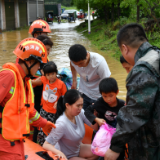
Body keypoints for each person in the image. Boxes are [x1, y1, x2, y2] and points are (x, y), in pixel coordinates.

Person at [105, 23, 160, 160]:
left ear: (125, 48)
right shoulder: (156, 54)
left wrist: (115, 147)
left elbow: (134, 114)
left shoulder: (141, 70)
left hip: (150, 144)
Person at [0, 38, 55, 160]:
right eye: (39, 65)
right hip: (4, 144)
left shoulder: (26, 81)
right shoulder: (9, 76)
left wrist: (44, 123)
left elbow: (29, 110)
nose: (40, 70)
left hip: (16, 141)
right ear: (29, 62)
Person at [43, 89, 98, 160]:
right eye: (78, 106)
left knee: (99, 151)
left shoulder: (80, 112)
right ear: (67, 105)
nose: (80, 108)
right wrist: (59, 153)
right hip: (67, 156)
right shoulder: (61, 123)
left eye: (82, 105)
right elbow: (46, 144)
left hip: (77, 149)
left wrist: (94, 115)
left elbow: (95, 127)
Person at [85, 78, 125, 160]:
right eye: (105, 96)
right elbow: (87, 111)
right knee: (103, 155)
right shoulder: (100, 102)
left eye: (111, 95)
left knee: (119, 155)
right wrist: (97, 119)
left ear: (117, 92)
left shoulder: (122, 105)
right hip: (104, 137)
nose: (108, 99)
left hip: (118, 136)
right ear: (101, 94)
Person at [32, 61, 67, 146]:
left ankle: (52, 145)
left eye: (52, 74)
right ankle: (41, 144)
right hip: (43, 110)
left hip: (54, 113)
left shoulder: (61, 84)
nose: (50, 76)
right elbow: (35, 82)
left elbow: (65, 97)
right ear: (45, 74)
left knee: (52, 129)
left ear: (56, 72)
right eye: (48, 75)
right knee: (42, 128)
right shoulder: (44, 79)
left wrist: (59, 102)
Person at [69, 44, 111, 110]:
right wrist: (74, 81)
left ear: (87, 55)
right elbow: (72, 64)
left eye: (81, 63)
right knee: (82, 115)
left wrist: (104, 100)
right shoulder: (73, 61)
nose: (79, 66)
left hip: (98, 95)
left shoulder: (99, 62)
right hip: (83, 93)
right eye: (76, 64)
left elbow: (106, 82)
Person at [32, 34, 54, 142]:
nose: (48, 52)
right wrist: (36, 82)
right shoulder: (31, 62)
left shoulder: (47, 62)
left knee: (40, 119)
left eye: (49, 50)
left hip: (44, 98)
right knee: (36, 120)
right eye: (47, 49)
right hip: (34, 96)